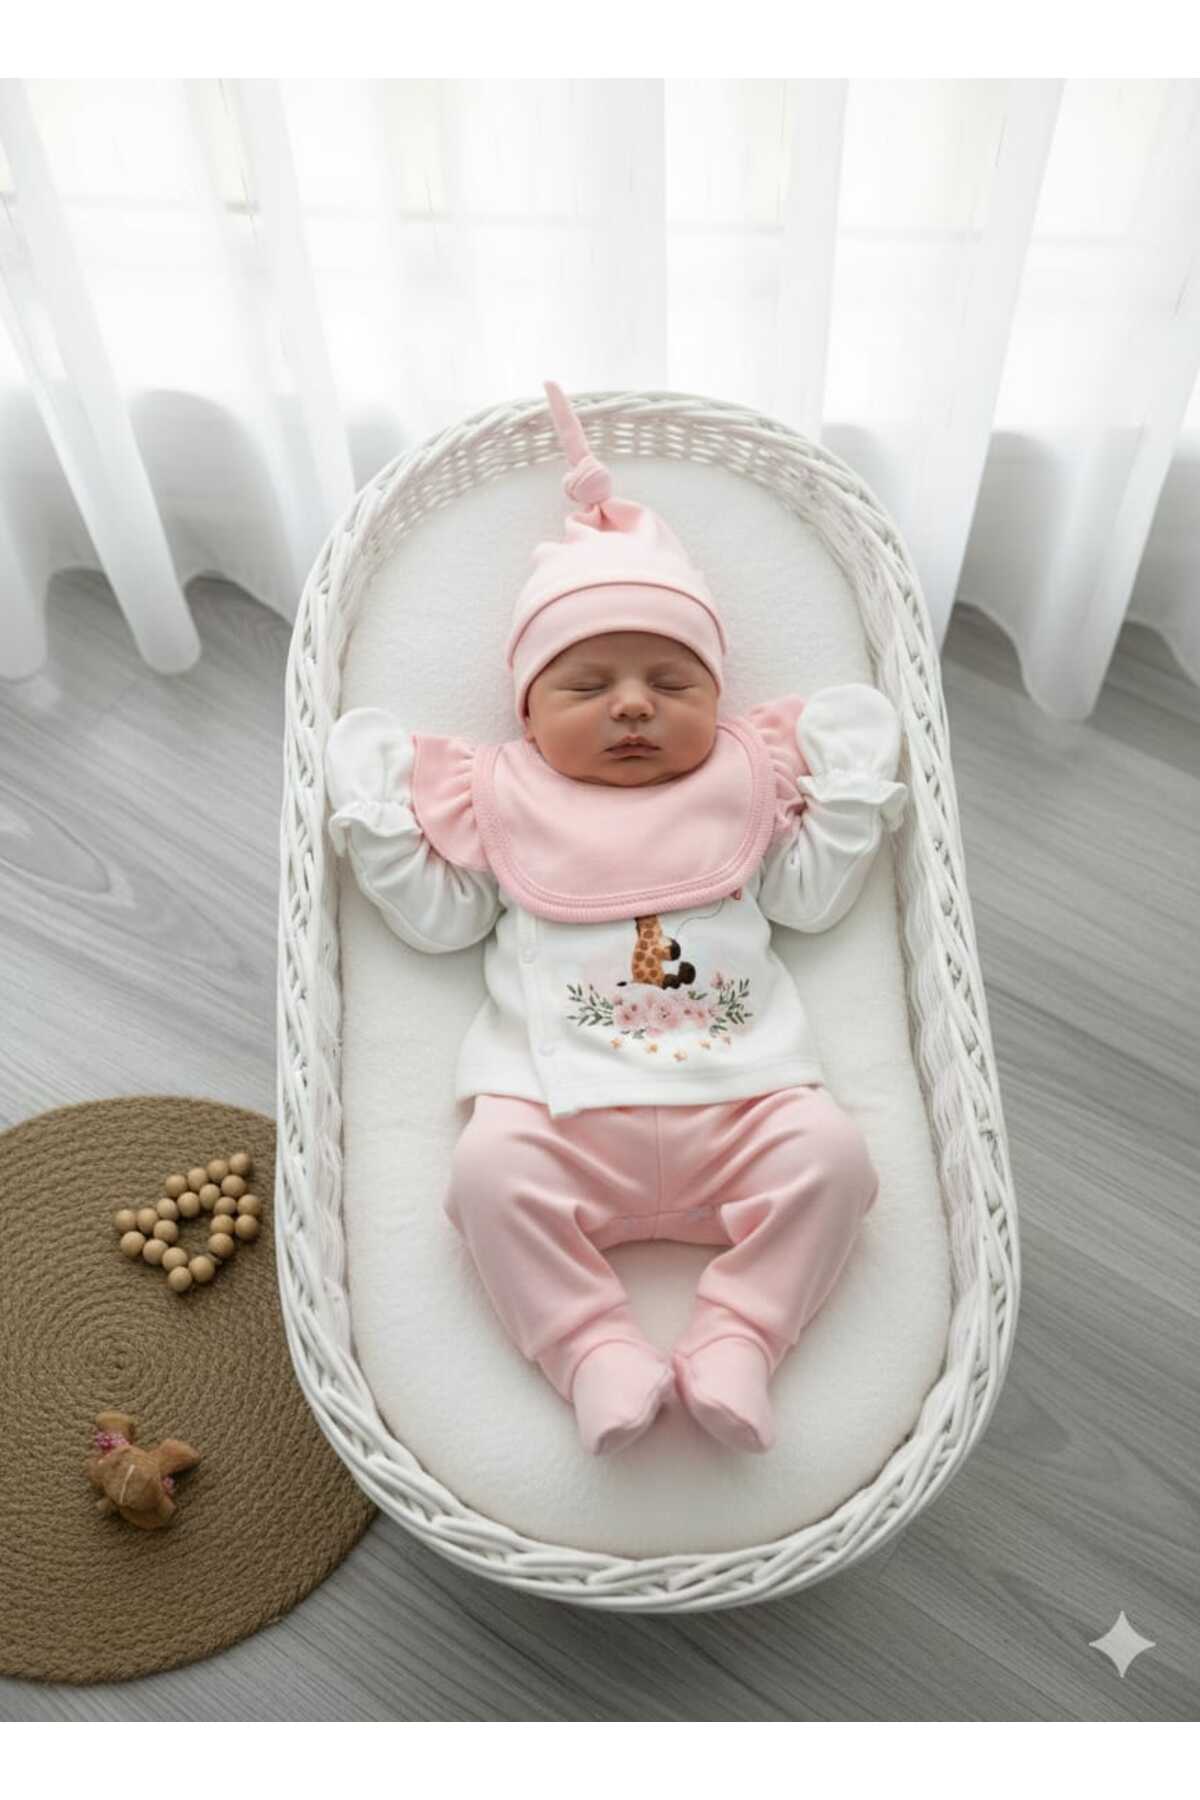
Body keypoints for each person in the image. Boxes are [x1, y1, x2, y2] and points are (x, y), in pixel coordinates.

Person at [324, 380, 908, 1457]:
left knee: (835, 1162)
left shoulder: (745, 781)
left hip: (746, 1099)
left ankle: (741, 1336)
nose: (633, 703)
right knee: (485, 1179)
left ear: (719, 699)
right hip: (557, 1113)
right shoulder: (501, 796)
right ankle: (592, 1347)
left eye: (672, 683)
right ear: (526, 712)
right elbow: (443, 924)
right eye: (587, 684)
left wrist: (850, 800)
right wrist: (382, 832)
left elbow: (809, 902)